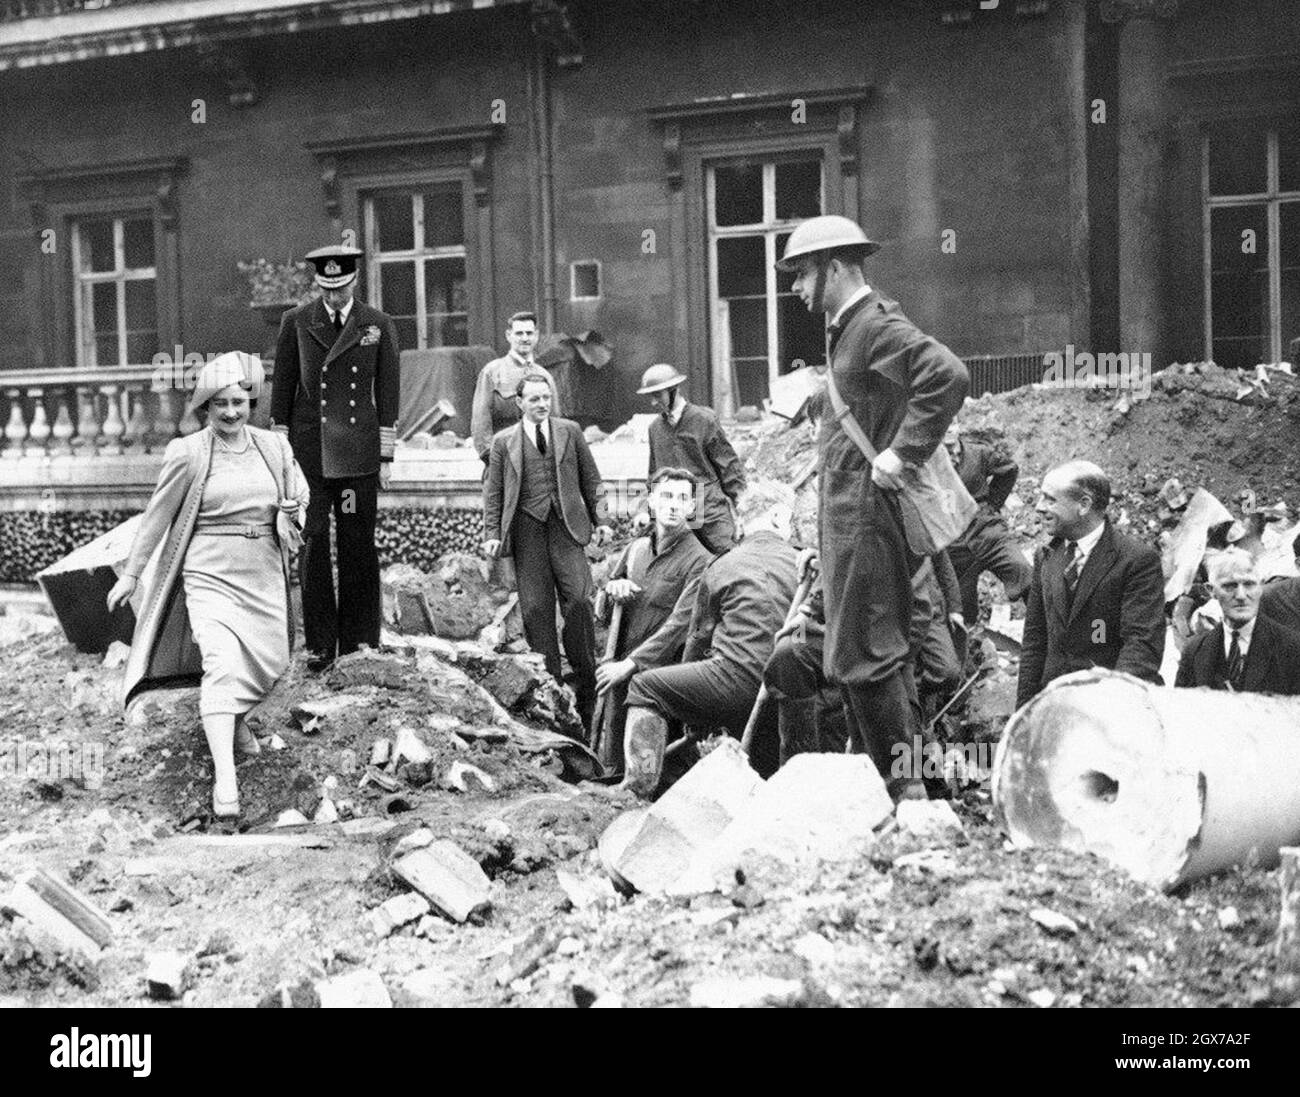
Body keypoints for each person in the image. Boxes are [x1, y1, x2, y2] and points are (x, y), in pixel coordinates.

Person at [777, 214, 968, 801]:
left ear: (835, 268)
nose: (796, 287)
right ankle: (883, 783)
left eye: (803, 274)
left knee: (869, 651)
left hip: (867, 518)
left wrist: (902, 454)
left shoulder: (876, 324)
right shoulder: (850, 329)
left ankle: (904, 789)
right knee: (849, 650)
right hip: (847, 520)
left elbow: (949, 373)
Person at [108, 352, 309, 821]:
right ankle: (226, 781)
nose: (231, 413)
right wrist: (133, 574)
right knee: (219, 662)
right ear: (205, 406)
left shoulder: (273, 447)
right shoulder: (189, 452)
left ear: (250, 402)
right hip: (209, 572)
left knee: (272, 660)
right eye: (220, 404)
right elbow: (157, 516)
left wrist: (290, 508)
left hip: (261, 570)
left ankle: (236, 724)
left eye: (239, 402)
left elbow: (300, 492)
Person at [597, 480, 799, 796]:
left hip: (733, 680)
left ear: (743, 523)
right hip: (789, 688)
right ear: (777, 518)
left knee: (645, 687)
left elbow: (697, 638)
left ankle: (639, 785)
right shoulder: (803, 566)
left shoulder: (723, 565)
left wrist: (692, 707)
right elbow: (805, 629)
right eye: (791, 522)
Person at [269, 244, 400, 672]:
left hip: (357, 455)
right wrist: (280, 453)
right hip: (311, 456)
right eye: (327, 288)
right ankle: (321, 644)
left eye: (341, 288)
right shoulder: (297, 321)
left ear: (354, 281)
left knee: (357, 544)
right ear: (318, 285)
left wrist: (384, 455)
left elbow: (389, 391)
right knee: (314, 544)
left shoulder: (377, 324)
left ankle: (361, 639)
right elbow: (283, 387)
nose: (335, 296)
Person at [482, 372, 610, 732]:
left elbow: (594, 481)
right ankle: (552, 683)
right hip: (527, 531)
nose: (542, 404)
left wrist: (601, 519)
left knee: (580, 600)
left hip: (567, 527)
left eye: (546, 398)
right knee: (536, 609)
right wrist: (492, 533)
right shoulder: (503, 442)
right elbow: (493, 494)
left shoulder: (570, 431)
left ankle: (585, 673)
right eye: (534, 399)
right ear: (519, 403)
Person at [1017, 460, 1166, 708]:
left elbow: (1141, 646)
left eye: (1050, 500)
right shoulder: (1046, 556)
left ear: (1084, 505)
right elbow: (1035, 642)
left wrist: (1108, 710)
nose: (1039, 508)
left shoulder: (1136, 560)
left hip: (1112, 707)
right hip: (1057, 706)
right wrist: (1023, 714)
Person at [593, 467, 715, 769]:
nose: (674, 504)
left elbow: (680, 626)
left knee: (653, 765)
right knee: (613, 759)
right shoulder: (635, 550)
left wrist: (630, 665)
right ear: (652, 501)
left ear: (691, 508)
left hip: (662, 681)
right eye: (667, 496)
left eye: (683, 498)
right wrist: (612, 591)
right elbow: (602, 613)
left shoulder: (701, 560)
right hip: (620, 674)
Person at [631, 363, 747, 555]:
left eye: (657, 395)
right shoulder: (655, 429)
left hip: (709, 512)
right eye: (651, 396)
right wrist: (645, 511)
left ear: (673, 390)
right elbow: (654, 477)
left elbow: (730, 469)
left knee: (729, 559)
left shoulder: (704, 420)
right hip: (673, 514)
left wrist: (743, 510)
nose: (653, 402)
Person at [1175, 548, 1300, 694]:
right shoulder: (1195, 650)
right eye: (1229, 586)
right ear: (1211, 590)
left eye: (1249, 584)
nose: (1241, 595)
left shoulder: (1291, 648)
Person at [943, 423, 1032, 623]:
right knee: (960, 608)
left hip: (987, 532)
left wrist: (992, 503)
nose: (948, 428)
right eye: (944, 422)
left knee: (1024, 573)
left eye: (953, 422)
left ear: (959, 427)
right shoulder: (929, 462)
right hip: (954, 544)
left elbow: (1009, 469)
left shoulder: (978, 453)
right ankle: (970, 648)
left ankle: (1046, 637)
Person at [470, 311, 561, 463]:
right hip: (504, 458)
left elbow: (555, 420)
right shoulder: (492, 372)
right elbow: (481, 421)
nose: (525, 338)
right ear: (508, 335)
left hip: (539, 461)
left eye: (529, 333)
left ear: (536, 336)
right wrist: (492, 458)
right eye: (519, 333)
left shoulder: (545, 376)